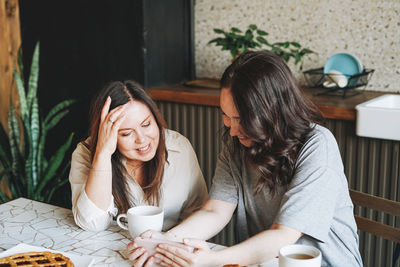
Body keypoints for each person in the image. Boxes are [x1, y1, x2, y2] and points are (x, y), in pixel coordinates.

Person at [127, 51, 363, 267]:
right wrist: (165, 241)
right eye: (226, 116)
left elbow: (284, 233)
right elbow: (215, 211)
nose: (232, 129)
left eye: (240, 119)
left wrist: (213, 259)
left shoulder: (318, 145)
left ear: (271, 111)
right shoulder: (236, 146)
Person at [69, 80, 208, 237]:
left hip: (173, 247)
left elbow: (198, 213)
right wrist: (103, 154)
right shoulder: (86, 153)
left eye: (146, 124)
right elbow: (91, 223)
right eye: (127, 133)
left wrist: (168, 244)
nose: (142, 139)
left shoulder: (179, 147)